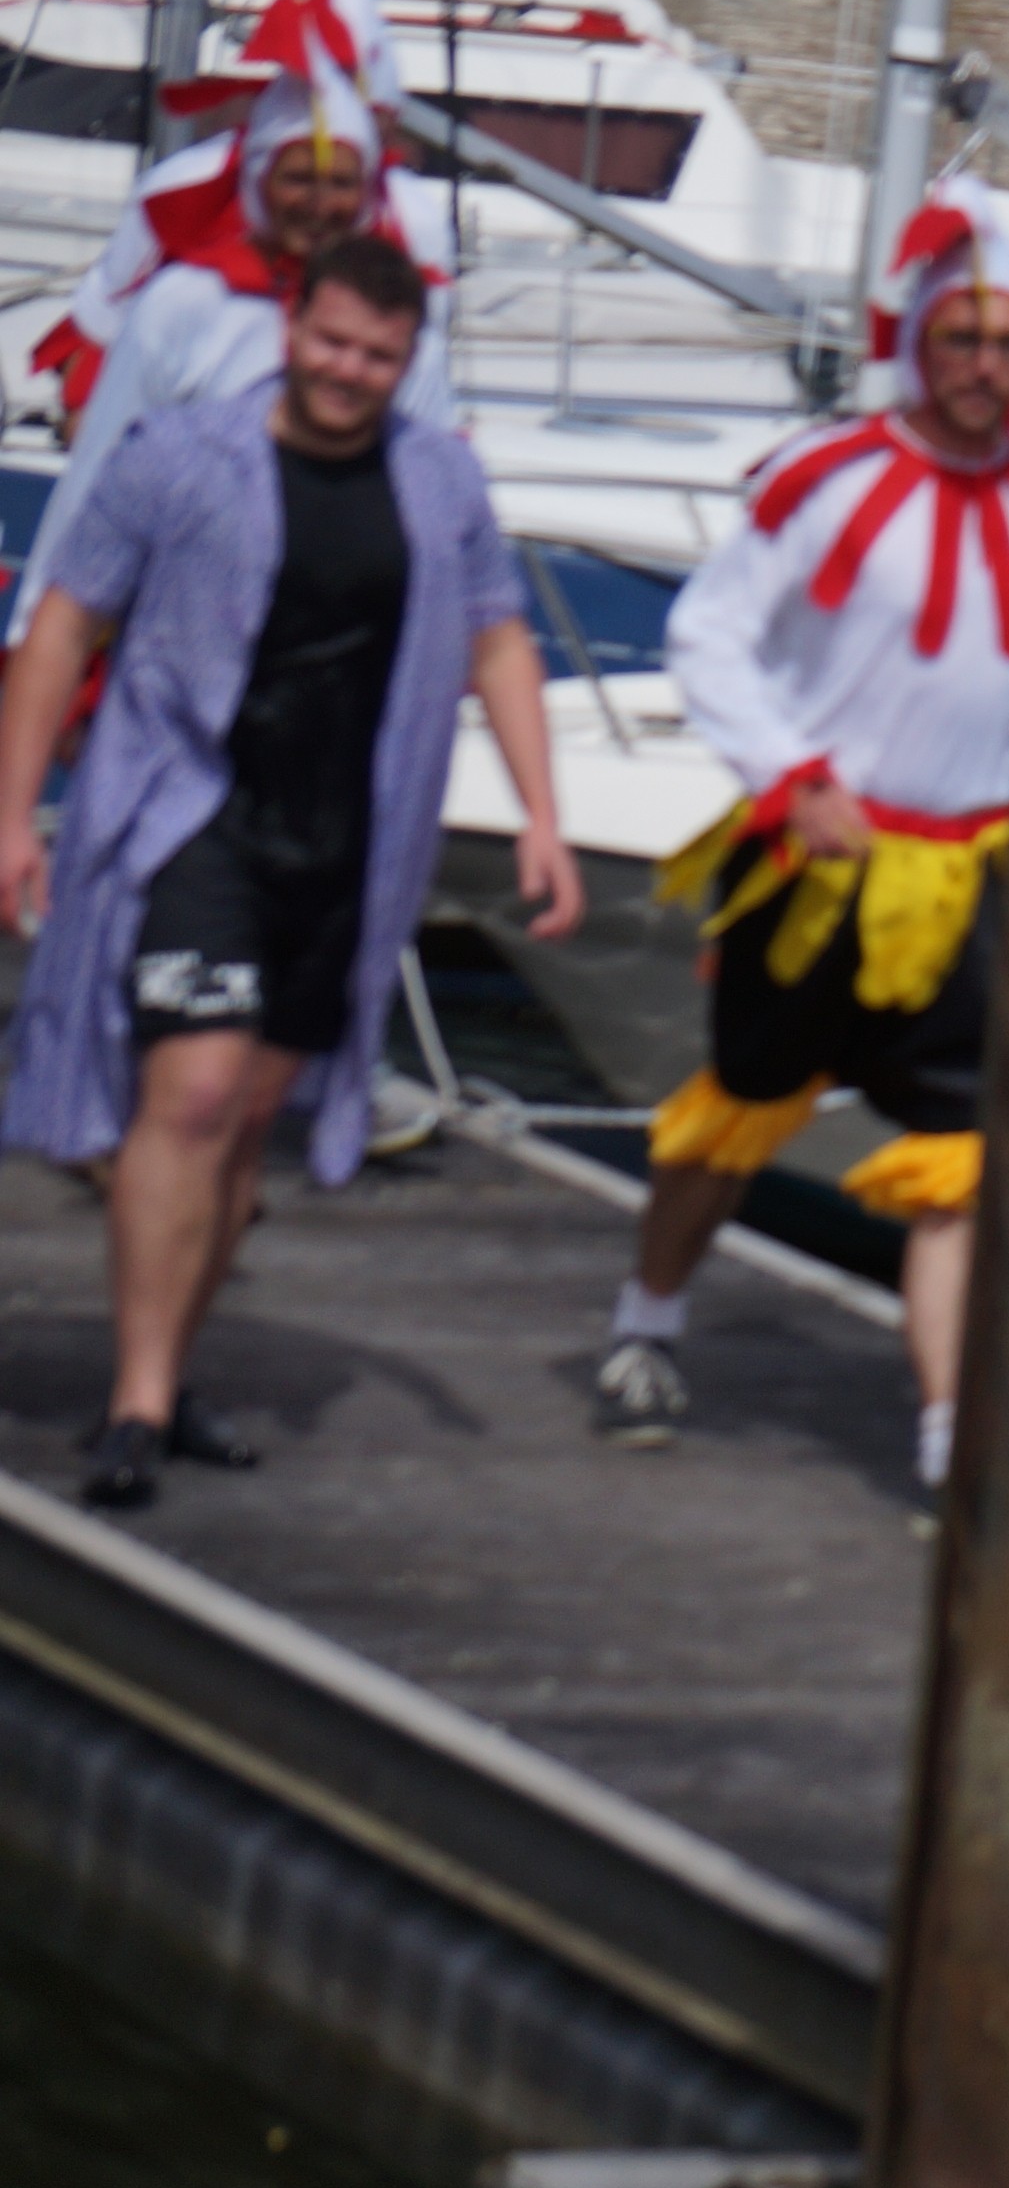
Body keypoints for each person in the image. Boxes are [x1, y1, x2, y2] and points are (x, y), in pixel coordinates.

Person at [0, 235, 583, 1509]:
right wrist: (12, 813)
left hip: (348, 846)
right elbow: (61, 624)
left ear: (405, 363)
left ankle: (172, 1370)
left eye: (376, 356)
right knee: (194, 1096)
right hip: (193, 815)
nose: (347, 371)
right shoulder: (184, 458)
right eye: (329, 342)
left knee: (250, 1122)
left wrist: (543, 813)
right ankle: (140, 1400)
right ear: (290, 330)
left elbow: (498, 635)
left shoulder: (438, 483)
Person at [591, 179, 1009, 1489]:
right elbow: (709, 634)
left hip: (966, 881)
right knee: (737, 1112)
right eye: (960, 340)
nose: (982, 368)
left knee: (961, 1165)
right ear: (916, 342)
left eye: (1008, 345)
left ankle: (947, 1434)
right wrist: (791, 776)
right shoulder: (828, 477)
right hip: (815, 865)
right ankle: (648, 1319)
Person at [19, 0, 456, 632]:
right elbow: (94, 475)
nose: (318, 204)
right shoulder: (187, 288)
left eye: (340, 181)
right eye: (297, 179)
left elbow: (435, 494)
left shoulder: (413, 263)